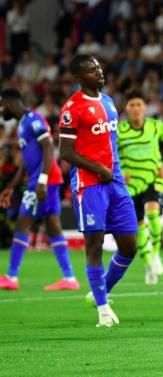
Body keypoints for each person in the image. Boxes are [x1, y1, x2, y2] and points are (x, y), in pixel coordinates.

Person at [59, 54, 138, 327]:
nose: (99, 72)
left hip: (114, 181)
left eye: (99, 67)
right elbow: (65, 152)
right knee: (95, 246)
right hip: (89, 185)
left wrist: (112, 169)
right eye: (92, 70)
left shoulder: (108, 102)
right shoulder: (72, 107)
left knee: (130, 245)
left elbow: (109, 143)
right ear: (79, 78)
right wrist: (98, 168)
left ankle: (99, 291)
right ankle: (103, 309)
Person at [0, 88, 79, 291]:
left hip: (44, 181)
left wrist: (42, 180)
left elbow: (47, 146)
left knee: (22, 224)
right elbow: (26, 162)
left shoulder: (34, 118)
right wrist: (11, 186)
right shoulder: (22, 125)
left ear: (10, 103)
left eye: (2, 105)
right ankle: (69, 278)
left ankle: (11, 276)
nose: (1, 110)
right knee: (52, 227)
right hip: (42, 180)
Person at [117, 88, 163, 285]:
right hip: (131, 185)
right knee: (139, 227)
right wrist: (118, 173)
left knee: (153, 214)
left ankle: (156, 253)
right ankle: (148, 263)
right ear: (126, 108)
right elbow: (111, 154)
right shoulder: (119, 131)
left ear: (145, 107)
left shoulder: (156, 127)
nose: (135, 109)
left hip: (153, 178)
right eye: (131, 105)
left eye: (139, 105)